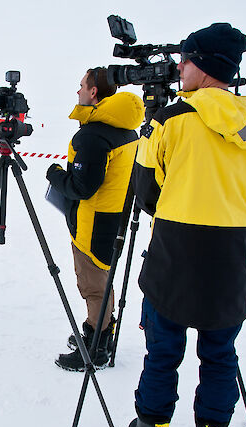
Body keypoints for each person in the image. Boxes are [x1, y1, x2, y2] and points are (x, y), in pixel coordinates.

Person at [126, 24, 246, 427]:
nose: (179, 68)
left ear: (204, 65)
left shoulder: (169, 119)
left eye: (186, 60)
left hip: (174, 253)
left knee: (163, 348)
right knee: (220, 353)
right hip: (232, 254)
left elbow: (145, 193)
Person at [46, 67, 143, 371]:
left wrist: (55, 175)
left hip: (92, 223)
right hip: (113, 218)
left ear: (93, 93)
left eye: (81, 86)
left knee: (92, 285)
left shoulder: (92, 135)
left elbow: (81, 187)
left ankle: (97, 348)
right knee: (103, 279)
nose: (77, 91)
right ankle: (98, 332)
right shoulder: (127, 130)